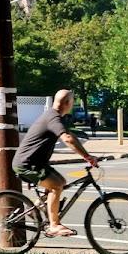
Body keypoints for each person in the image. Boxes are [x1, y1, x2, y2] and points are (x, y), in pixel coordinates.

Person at [13, 89, 99, 238]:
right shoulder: (53, 118)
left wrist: (87, 154)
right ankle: (53, 225)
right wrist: (87, 157)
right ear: (67, 103)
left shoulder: (54, 117)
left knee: (61, 181)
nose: (72, 104)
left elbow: (72, 136)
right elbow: (67, 139)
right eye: (72, 102)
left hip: (35, 163)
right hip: (27, 164)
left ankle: (37, 209)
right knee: (56, 186)